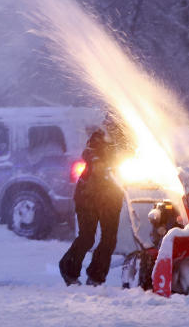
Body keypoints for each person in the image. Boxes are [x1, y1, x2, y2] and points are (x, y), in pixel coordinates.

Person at [59, 117, 126, 286]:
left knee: (109, 239)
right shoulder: (99, 137)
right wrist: (97, 161)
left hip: (111, 197)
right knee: (87, 237)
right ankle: (68, 269)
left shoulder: (127, 143)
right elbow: (88, 152)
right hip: (88, 196)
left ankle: (96, 276)